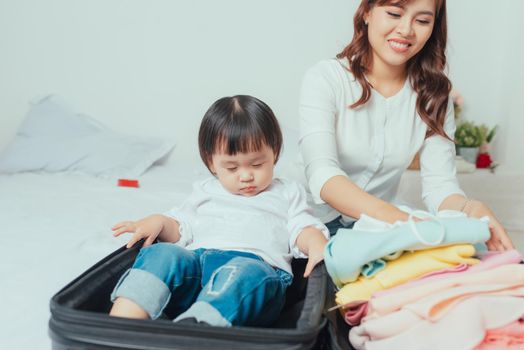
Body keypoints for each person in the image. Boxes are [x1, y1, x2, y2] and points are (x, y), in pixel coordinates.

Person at [291, 0, 513, 251]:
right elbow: (323, 176)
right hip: (308, 226)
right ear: (366, 12)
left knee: (466, 256)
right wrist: (401, 220)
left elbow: (440, 188)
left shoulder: (435, 97)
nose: (406, 30)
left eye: (422, 21)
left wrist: (470, 208)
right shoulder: (326, 79)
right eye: (394, 13)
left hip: (373, 229)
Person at [109, 95, 329, 327]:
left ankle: (196, 331)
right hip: (198, 268)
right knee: (162, 253)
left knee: (245, 272)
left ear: (274, 153)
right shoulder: (205, 190)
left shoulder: (286, 192)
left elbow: (301, 226)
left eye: (257, 164)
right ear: (211, 162)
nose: (246, 176)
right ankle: (122, 322)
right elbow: (182, 227)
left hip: (255, 277)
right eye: (232, 167)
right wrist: (160, 222)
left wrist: (315, 242)